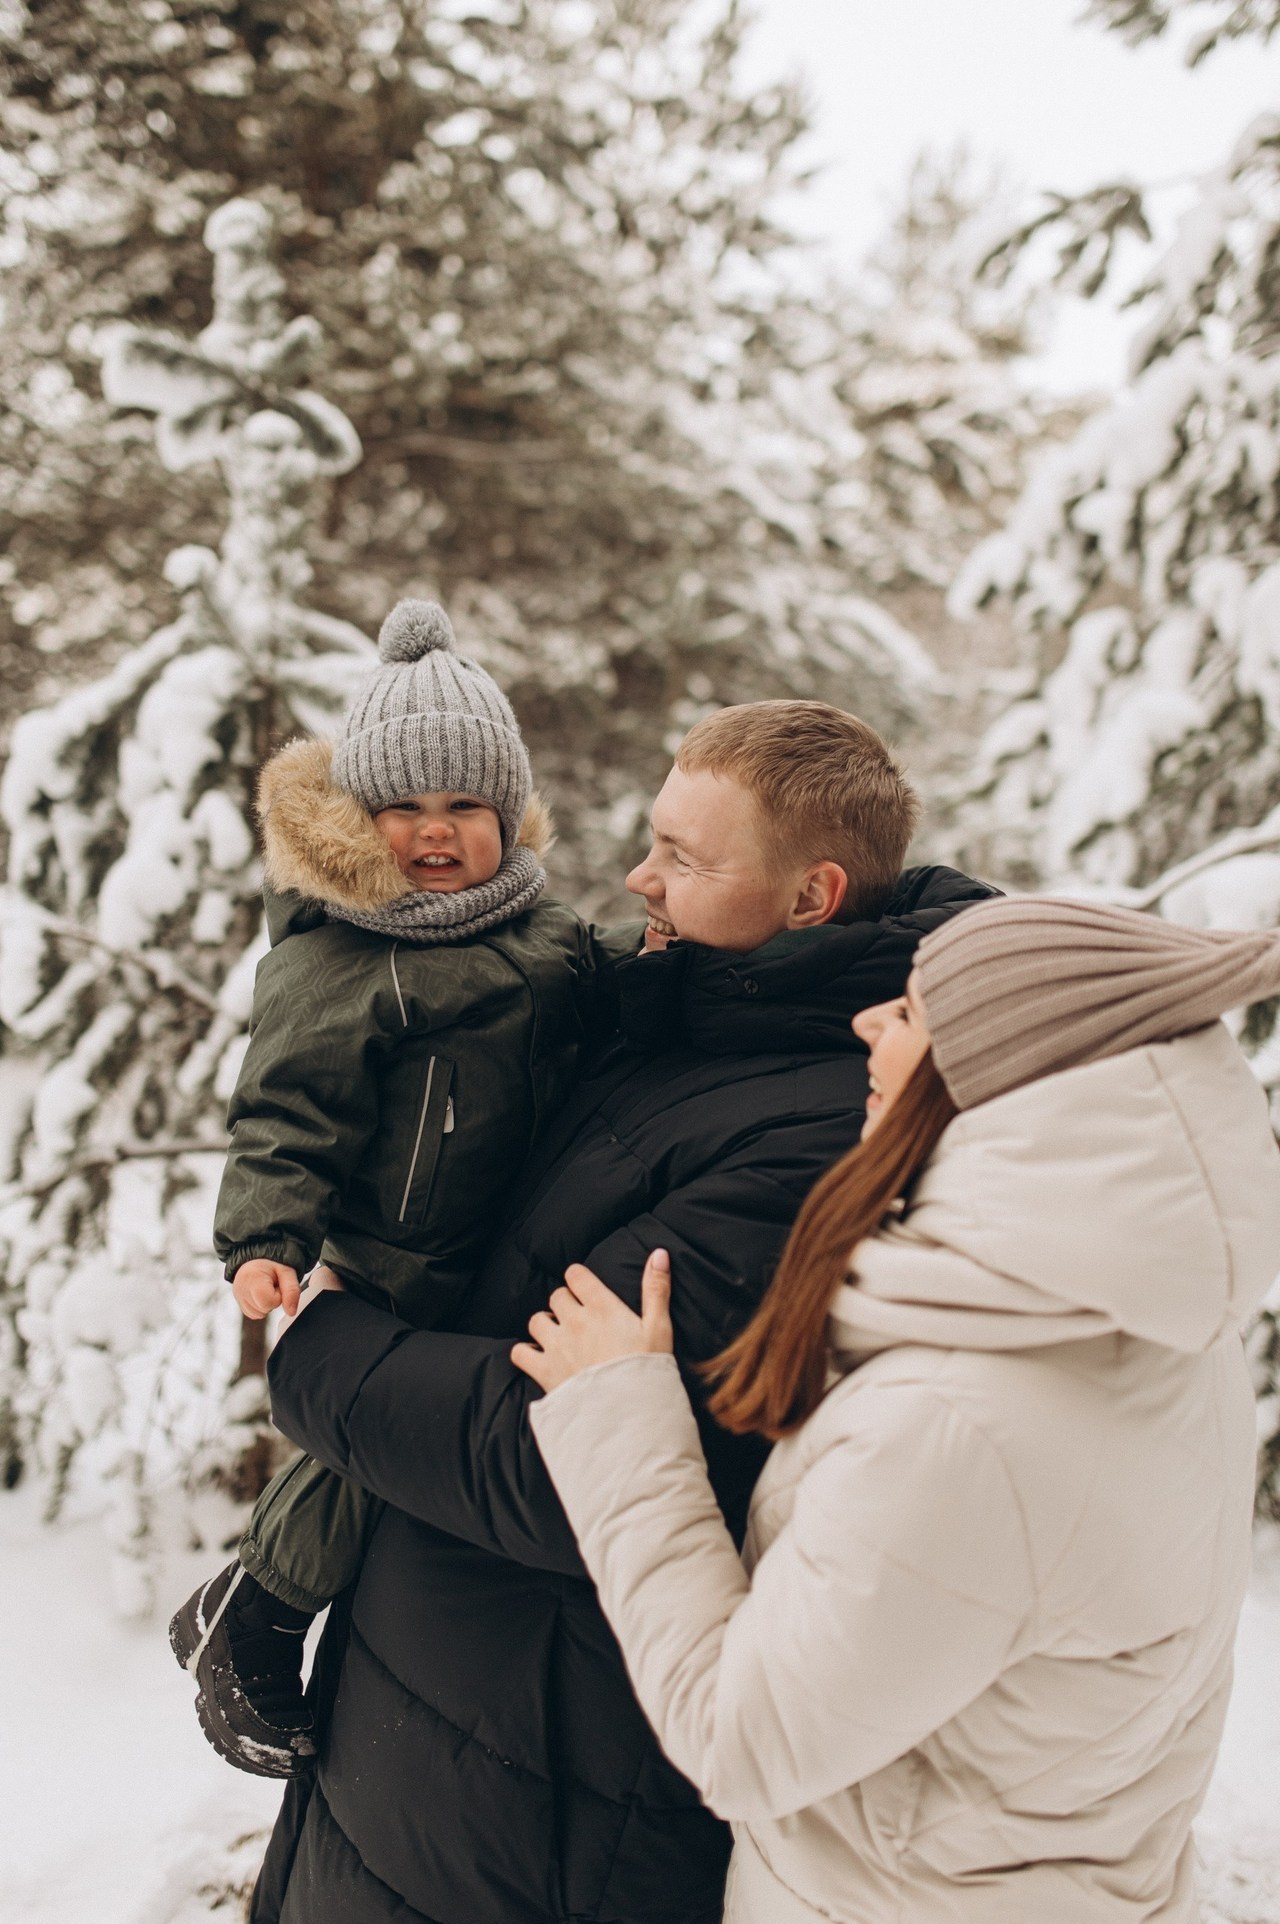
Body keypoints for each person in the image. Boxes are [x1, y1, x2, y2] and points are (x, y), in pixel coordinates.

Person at [252, 700, 996, 1924]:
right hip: (437, 1724)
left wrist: (313, 1350)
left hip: (541, 1796)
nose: (638, 876)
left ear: (809, 899)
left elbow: (566, 1453)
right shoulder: (669, 1017)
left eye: (686, 859)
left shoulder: (816, 1129)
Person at [516, 897, 1280, 1924]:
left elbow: (742, 1739)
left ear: (1004, 1090)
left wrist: (619, 1419)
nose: (869, 1025)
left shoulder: (966, 1426)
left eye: (916, 1014)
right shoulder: (1161, 1322)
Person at [169, 596, 619, 1776]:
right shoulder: (342, 953)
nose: (434, 831)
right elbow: (286, 1109)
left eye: (463, 804)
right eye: (403, 806)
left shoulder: (541, 929)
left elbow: (601, 995)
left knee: (425, 1446)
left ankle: (258, 1593)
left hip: (506, 1231)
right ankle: (256, 1616)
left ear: (506, 812)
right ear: (361, 820)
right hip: (396, 1252)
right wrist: (263, 1230)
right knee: (370, 1450)